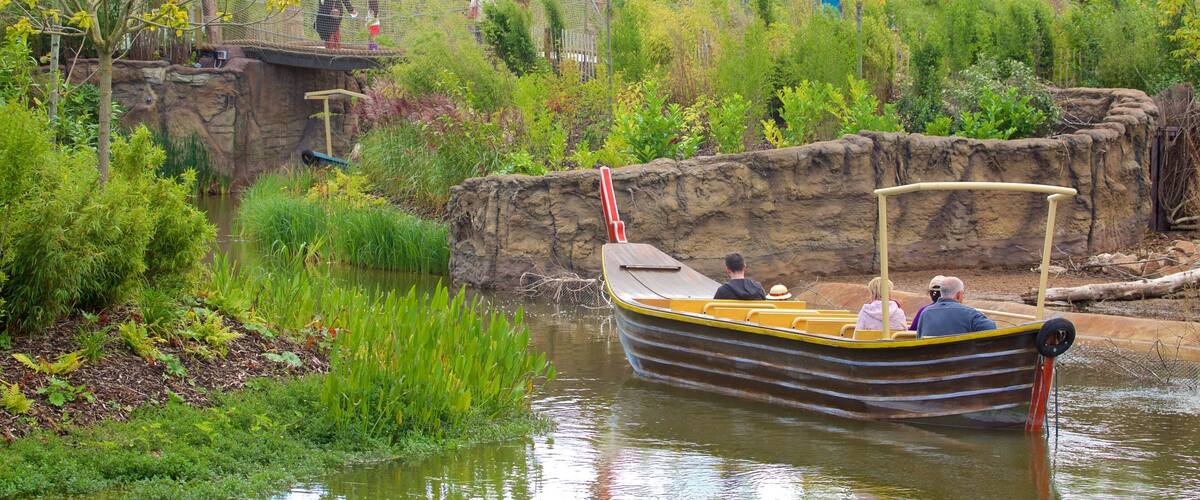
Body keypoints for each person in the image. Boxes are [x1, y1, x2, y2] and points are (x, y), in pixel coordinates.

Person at [916, 276, 997, 338]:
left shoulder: (925, 313)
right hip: (960, 357)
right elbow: (992, 330)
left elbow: (919, 338)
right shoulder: (970, 313)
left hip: (931, 356)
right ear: (959, 295)